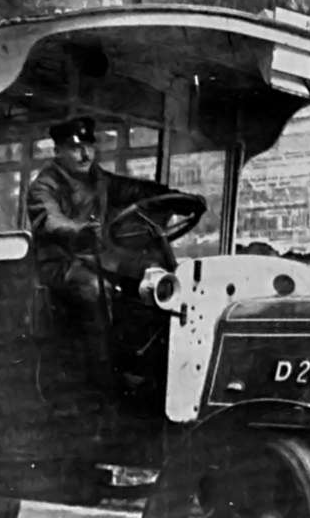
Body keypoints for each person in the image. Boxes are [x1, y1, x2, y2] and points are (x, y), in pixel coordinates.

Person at [26, 116, 200, 388]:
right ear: (58, 151)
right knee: (96, 290)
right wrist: (78, 230)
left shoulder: (99, 179)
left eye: (89, 146)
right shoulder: (44, 185)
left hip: (98, 257)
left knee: (156, 276)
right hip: (62, 263)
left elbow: (137, 190)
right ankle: (102, 376)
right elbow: (49, 220)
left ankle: (155, 361)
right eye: (75, 148)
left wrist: (178, 199)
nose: (85, 154)